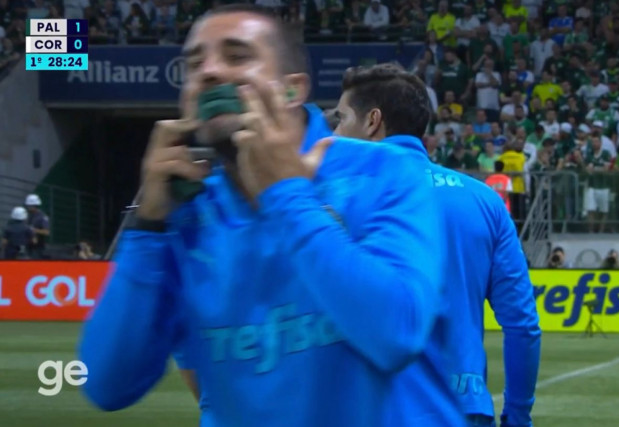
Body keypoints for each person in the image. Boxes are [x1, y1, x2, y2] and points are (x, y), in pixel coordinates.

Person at [79, 6, 447, 427]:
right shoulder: (183, 218)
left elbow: (397, 334)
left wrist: (285, 196)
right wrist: (146, 228)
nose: (210, 72)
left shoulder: (379, 173)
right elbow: (105, 385)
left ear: (292, 91)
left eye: (236, 56)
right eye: (195, 64)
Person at [333, 63, 540, 427]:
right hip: (463, 407)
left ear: (372, 121)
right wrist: (518, 417)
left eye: (340, 119)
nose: (334, 132)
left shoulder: (333, 198)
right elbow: (522, 324)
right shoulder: (484, 200)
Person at [24, 193, 50, 259]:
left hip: (38, 248)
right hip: (28, 245)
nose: (28, 207)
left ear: (34, 206)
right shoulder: (28, 215)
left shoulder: (42, 217)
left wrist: (34, 230)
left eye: (29, 206)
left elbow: (46, 232)